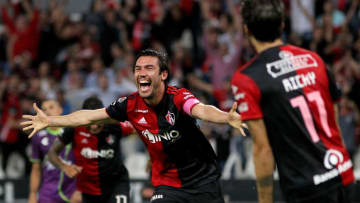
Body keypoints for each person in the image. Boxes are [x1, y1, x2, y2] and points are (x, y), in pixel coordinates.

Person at [21, 49, 247, 203]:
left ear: (163, 74)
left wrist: (226, 117)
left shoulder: (177, 97)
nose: (141, 73)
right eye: (138, 69)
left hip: (203, 180)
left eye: (149, 68)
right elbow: (89, 117)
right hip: (167, 184)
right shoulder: (129, 105)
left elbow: (201, 110)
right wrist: (50, 121)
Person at [231, 1, 355, 203]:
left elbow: (263, 149)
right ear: (282, 25)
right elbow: (335, 125)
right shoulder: (314, 59)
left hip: (306, 189)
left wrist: (265, 200)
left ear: (246, 30)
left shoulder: (246, 78)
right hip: (343, 176)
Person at [48, 97, 134, 203]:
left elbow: (140, 130)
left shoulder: (115, 125)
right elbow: (52, 153)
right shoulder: (74, 128)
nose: (94, 127)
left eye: (98, 122)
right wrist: (64, 167)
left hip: (116, 185)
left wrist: (153, 155)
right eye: (90, 123)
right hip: (87, 190)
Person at [28, 99, 81, 203]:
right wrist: (33, 194)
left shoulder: (73, 131)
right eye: (44, 110)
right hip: (48, 194)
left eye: (51, 107)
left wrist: (80, 190)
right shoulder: (38, 137)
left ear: (60, 110)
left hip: (72, 192)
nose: (47, 111)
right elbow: (36, 169)